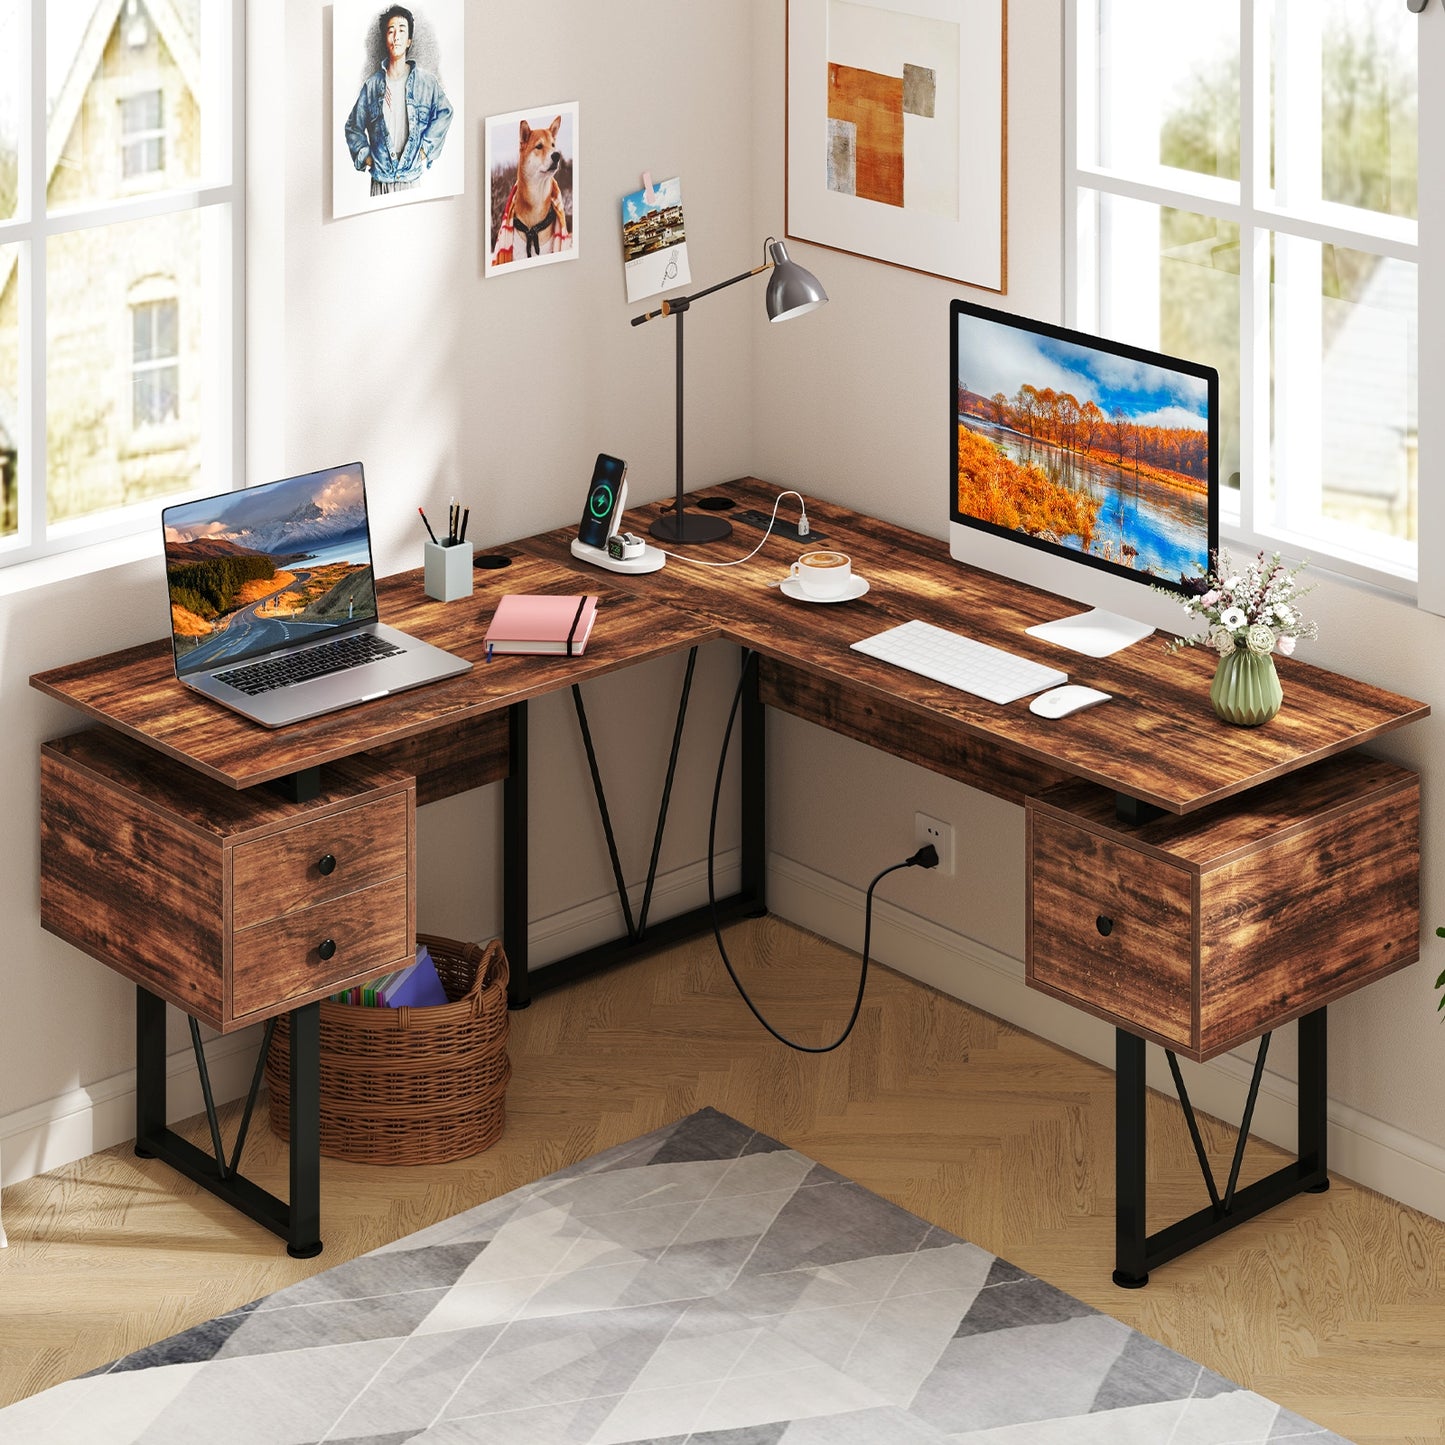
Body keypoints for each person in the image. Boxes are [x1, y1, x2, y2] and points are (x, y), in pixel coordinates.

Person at [344, 6, 452, 196]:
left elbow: (445, 112)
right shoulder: (372, 86)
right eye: (391, 31)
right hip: (380, 182)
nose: (396, 37)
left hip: (412, 181)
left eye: (402, 30)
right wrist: (367, 157)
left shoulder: (426, 83)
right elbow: (353, 126)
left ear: (409, 40)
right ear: (385, 39)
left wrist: (425, 150)